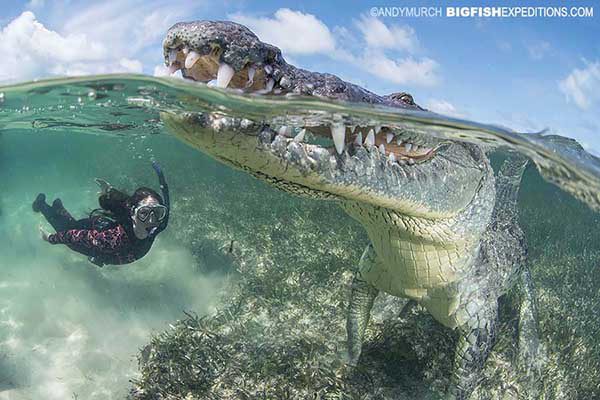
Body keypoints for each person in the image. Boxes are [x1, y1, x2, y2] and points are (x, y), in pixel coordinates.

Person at [32, 161, 170, 267]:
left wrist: (161, 177)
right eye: (144, 213)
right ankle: (42, 206)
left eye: (157, 212)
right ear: (133, 213)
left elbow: (164, 199)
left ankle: (57, 209)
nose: (151, 220)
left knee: (72, 225)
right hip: (94, 236)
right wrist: (50, 238)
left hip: (104, 245)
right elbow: (73, 236)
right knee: (66, 229)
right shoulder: (112, 239)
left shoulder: (159, 223)